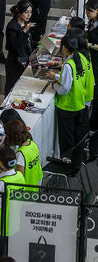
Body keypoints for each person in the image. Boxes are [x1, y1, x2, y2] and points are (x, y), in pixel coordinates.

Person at [50, 33, 92, 174]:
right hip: (79, 104)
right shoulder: (81, 58)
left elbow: (65, 89)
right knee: (76, 138)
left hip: (67, 107)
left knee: (67, 141)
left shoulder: (69, 65)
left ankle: (68, 168)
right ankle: (75, 164)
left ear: (64, 48)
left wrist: (55, 85)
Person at [4, 0, 34, 95]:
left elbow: (27, 41)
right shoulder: (12, 26)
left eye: (30, 12)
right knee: (11, 85)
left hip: (25, 58)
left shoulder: (25, 23)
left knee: (22, 85)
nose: (29, 15)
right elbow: (17, 45)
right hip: (14, 61)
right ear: (19, 12)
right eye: (26, 12)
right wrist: (24, 31)